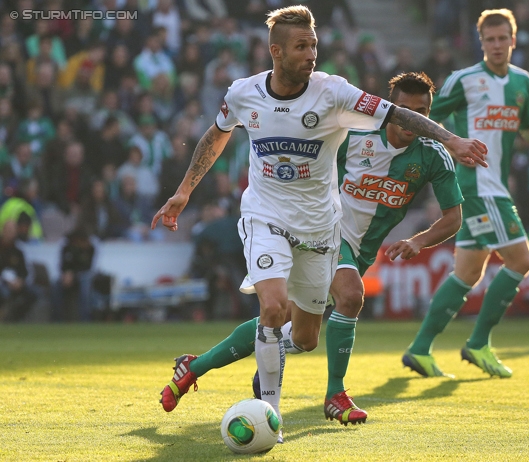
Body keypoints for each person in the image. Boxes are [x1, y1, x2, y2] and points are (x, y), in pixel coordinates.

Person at [151, 5, 486, 441]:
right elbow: (217, 133)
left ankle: (195, 366)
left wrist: (451, 139)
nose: (311, 54)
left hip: (319, 228)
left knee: (305, 337)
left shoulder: (335, 93)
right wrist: (184, 190)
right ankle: (272, 413)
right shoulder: (243, 93)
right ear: (276, 51)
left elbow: (396, 114)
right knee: (273, 307)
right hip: (265, 215)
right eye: (301, 46)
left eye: (314, 45)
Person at [403, 8, 529, 379]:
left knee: (467, 273)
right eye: (489, 39)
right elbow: (425, 116)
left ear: (513, 40)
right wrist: (446, 150)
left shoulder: (522, 82)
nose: (496, 45)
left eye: (502, 38)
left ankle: (420, 349)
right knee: (521, 261)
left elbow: (528, 127)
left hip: (496, 185)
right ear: (481, 42)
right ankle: (478, 343)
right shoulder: (464, 80)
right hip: (477, 186)